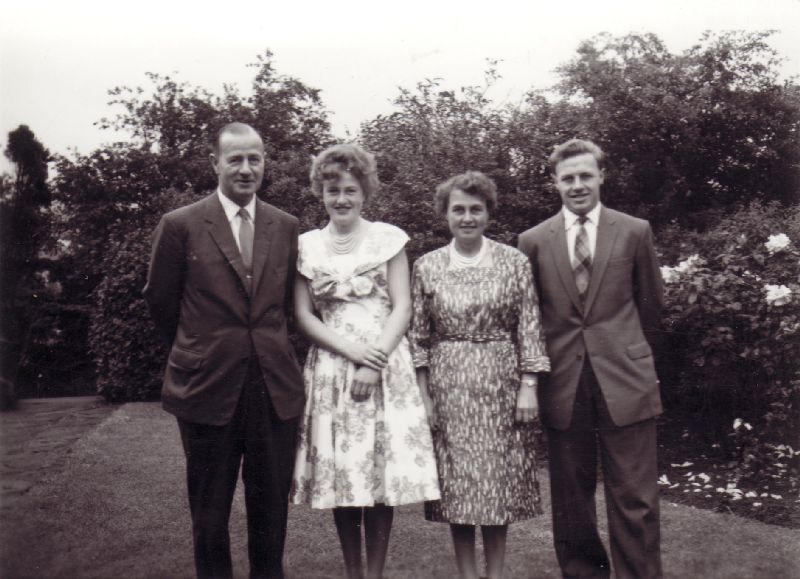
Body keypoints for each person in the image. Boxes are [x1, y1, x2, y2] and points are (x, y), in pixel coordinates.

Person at [143, 122, 304, 579]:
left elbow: (286, 307)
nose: (246, 168)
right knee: (209, 514)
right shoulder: (180, 225)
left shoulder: (286, 226)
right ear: (215, 163)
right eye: (235, 159)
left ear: (265, 162)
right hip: (205, 389)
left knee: (271, 510)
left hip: (272, 390)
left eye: (255, 158)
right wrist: (200, 352)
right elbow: (161, 301)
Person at [290, 143, 440, 579]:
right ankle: (353, 571)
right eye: (333, 190)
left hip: (383, 365)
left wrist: (373, 362)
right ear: (320, 192)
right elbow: (303, 315)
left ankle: (374, 573)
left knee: (377, 477)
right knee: (343, 476)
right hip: (332, 368)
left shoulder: (388, 239)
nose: (341, 199)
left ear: (365, 192)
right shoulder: (305, 247)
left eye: (350, 190)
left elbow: (403, 306)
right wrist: (352, 352)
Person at [517, 139, 664, 579]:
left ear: (602, 176)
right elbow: (529, 317)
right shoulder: (533, 241)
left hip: (626, 377)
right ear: (555, 183)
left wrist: (632, 356)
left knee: (636, 498)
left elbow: (651, 306)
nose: (577, 185)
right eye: (568, 178)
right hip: (563, 381)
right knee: (571, 501)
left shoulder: (634, 231)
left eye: (585, 175)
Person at [409, 171, 550, 579]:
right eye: (458, 210)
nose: (467, 218)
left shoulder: (513, 261)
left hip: (501, 383)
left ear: (488, 213)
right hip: (448, 385)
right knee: (458, 485)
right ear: (445, 214)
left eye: (475, 209)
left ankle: (496, 574)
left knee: (496, 483)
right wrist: (424, 395)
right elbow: (418, 336)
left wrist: (529, 386)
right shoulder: (427, 266)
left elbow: (529, 326)